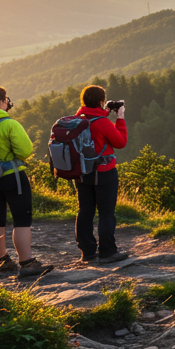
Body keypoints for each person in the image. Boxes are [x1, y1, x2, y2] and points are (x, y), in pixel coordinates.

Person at [0, 86, 52, 277]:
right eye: (6, 99)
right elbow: (25, 151)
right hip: (12, 176)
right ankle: (27, 263)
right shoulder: (9, 124)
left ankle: (2, 261)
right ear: (2, 101)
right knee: (22, 219)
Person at [74, 85, 129, 264]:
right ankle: (107, 252)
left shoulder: (77, 118)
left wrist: (104, 112)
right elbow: (120, 142)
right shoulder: (103, 122)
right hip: (103, 172)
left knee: (85, 211)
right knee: (106, 213)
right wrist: (119, 118)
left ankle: (87, 253)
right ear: (101, 101)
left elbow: (92, 123)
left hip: (82, 172)